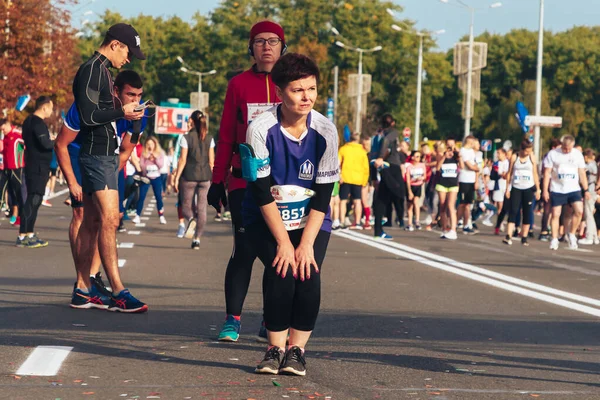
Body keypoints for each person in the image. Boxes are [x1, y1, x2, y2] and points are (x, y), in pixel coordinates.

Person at [244, 53, 339, 376]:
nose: (307, 97)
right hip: (266, 215)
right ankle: (274, 348)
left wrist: (306, 243)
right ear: (280, 91)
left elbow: (324, 194)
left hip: (310, 215)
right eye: (298, 90)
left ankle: (297, 351)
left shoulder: (326, 130)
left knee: (308, 273)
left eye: (311, 89)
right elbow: (260, 190)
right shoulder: (260, 129)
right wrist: (284, 242)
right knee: (281, 271)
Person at [210, 20, 287, 342]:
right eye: (259, 41)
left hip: (283, 183)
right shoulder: (238, 84)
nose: (266, 47)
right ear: (251, 48)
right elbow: (227, 134)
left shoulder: (293, 83)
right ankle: (232, 319)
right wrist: (217, 180)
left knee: (276, 253)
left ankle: (272, 320)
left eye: (273, 41)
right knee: (244, 248)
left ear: (283, 47)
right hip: (243, 180)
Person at [71, 22, 147, 312]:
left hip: (102, 155)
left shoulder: (102, 71)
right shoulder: (92, 69)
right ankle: (118, 290)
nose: (128, 59)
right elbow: (88, 117)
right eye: (128, 52)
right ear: (115, 44)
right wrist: (122, 111)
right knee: (110, 220)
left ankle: (82, 288)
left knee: (93, 222)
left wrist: (132, 117)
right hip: (97, 156)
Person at [173, 111, 214, 249]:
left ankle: (191, 220)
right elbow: (211, 162)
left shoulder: (186, 138)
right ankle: (197, 239)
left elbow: (182, 159)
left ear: (191, 120)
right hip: (205, 177)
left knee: (186, 206)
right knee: (202, 209)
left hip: (189, 176)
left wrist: (176, 177)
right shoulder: (209, 138)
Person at [18, 96, 55, 248]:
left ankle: (30, 233)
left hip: (36, 164)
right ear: (44, 107)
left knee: (37, 199)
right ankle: (22, 235)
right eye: (51, 108)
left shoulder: (29, 121)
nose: (52, 112)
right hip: (37, 166)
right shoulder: (37, 123)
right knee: (33, 199)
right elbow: (45, 144)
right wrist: (56, 140)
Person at [542, 135, 589, 250]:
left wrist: (586, 189)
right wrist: (545, 190)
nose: (566, 150)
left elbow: (582, 173)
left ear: (573, 146)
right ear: (561, 145)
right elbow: (547, 173)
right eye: (564, 148)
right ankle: (554, 239)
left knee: (579, 211)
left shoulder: (577, 154)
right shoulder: (553, 154)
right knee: (556, 214)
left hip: (573, 188)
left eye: (569, 148)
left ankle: (572, 234)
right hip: (557, 188)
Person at [373, 114, 406, 240]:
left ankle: (378, 230)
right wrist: (382, 157)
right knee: (399, 191)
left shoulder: (378, 134)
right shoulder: (392, 132)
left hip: (381, 165)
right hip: (391, 165)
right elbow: (387, 143)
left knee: (382, 196)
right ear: (392, 123)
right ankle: (400, 217)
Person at [503, 140, 541, 246]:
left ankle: (524, 237)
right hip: (516, 187)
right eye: (526, 151)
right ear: (522, 149)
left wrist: (538, 189)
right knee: (513, 211)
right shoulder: (515, 157)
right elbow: (509, 173)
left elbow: (535, 173)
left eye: (530, 151)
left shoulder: (531, 158)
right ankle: (508, 235)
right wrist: (507, 188)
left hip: (528, 188)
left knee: (527, 212)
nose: (528, 153)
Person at [338, 131, 369, 229]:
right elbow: (366, 168)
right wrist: (364, 181)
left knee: (343, 200)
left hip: (345, 178)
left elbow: (337, 163)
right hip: (358, 179)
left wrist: (339, 175)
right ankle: (357, 221)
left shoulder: (343, 149)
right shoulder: (362, 151)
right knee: (357, 201)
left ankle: (342, 221)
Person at [133, 136, 167, 225]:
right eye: (148, 144)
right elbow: (142, 166)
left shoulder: (159, 154)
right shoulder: (144, 154)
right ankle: (137, 215)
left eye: (152, 144)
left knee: (158, 197)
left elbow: (161, 165)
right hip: (146, 178)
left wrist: (155, 158)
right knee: (142, 197)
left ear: (155, 145)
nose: (150, 146)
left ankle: (161, 215)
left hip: (156, 177)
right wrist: (147, 157)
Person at [1, 119, 25, 226]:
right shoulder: (5, 137)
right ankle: (12, 211)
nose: (3, 131)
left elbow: (28, 143)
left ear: (8, 125)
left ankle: (19, 215)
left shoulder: (17, 134)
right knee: (7, 191)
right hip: (5, 168)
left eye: (3, 129)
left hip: (16, 168)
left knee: (17, 192)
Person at [435, 142, 459, 239]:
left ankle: (453, 230)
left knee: (451, 205)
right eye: (448, 151)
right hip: (442, 184)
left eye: (451, 151)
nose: (450, 153)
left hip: (453, 185)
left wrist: (455, 151)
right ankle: (444, 229)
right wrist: (444, 156)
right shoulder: (442, 158)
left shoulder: (456, 159)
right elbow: (438, 168)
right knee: (442, 205)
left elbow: (461, 163)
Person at [457, 135, 480, 234]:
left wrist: (476, 180)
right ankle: (456, 222)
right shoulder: (463, 151)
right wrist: (476, 168)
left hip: (471, 180)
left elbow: (475, 166)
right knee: (462, 204)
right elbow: (469, 166)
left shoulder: (471, 152)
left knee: (468, 204)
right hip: (464, 180)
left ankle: (466, 225)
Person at [579, 148, 598, 245]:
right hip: (594, 190)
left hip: (590, 190)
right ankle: (594, 237)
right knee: (591, 214)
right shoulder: (595, 164)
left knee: (588, 214)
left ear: (586, 157)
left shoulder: (590, 165)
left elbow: (581, 169)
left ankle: (589, 236)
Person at [405, 150, 426, 231]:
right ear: (412, 157)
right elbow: (407, 179)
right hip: (411, 186)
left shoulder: (422, 165)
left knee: (416, 202)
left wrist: (421, 178)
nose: (418, 158)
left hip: (418, 186)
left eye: (419, 157)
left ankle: (417, 221)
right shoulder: (409, 167)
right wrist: (409, 191)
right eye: (416, 156)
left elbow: (424, 176)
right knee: (410, 206)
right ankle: (409, 223)